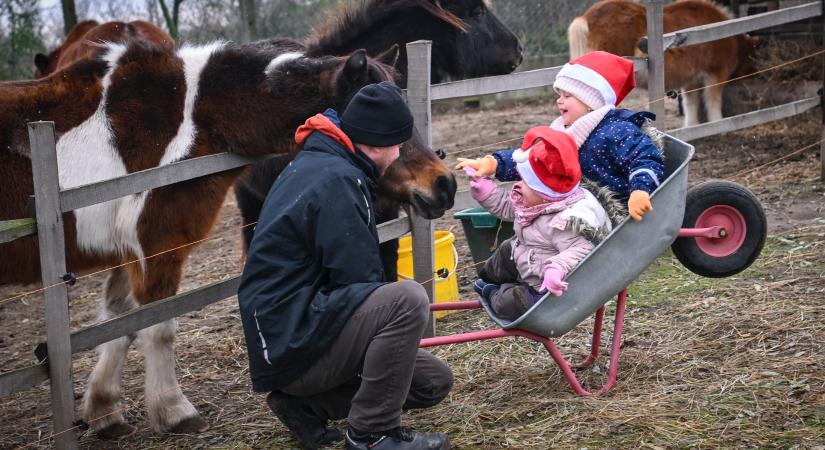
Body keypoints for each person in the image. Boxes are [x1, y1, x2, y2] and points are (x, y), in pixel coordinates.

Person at [237, 82, 453, 450]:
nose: (401, 152)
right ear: (377, 145)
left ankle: (303, 406)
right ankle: (373, 434)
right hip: (293, 341)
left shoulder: (327, 164)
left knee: (432, 381)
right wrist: (389, 328)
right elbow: (361, 282)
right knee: (407, 300)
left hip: (297, 331)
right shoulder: (338, 182)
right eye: (399, 145)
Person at [456, 51, 665, 222]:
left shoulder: (617, 131)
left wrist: (640, 190)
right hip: (572, 206)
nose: (559, 101)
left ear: (590, 102)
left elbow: (644, 158)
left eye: (567, 96)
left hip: (609, 213)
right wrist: (492, 163)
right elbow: (533, 158)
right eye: (559, 95)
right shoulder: (565, 131)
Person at [464, 127, 612, 320]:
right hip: (528, 258)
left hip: (545, 285)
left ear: (543, 193)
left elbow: (583, 249)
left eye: (525, 182)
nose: (518, 185)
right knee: (506, 249)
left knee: (514, 303)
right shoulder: (539, 202)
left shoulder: (570, 219)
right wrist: (485, 191)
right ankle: (486, 279)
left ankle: (493, 292)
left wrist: (556, 268)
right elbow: (508, 207)